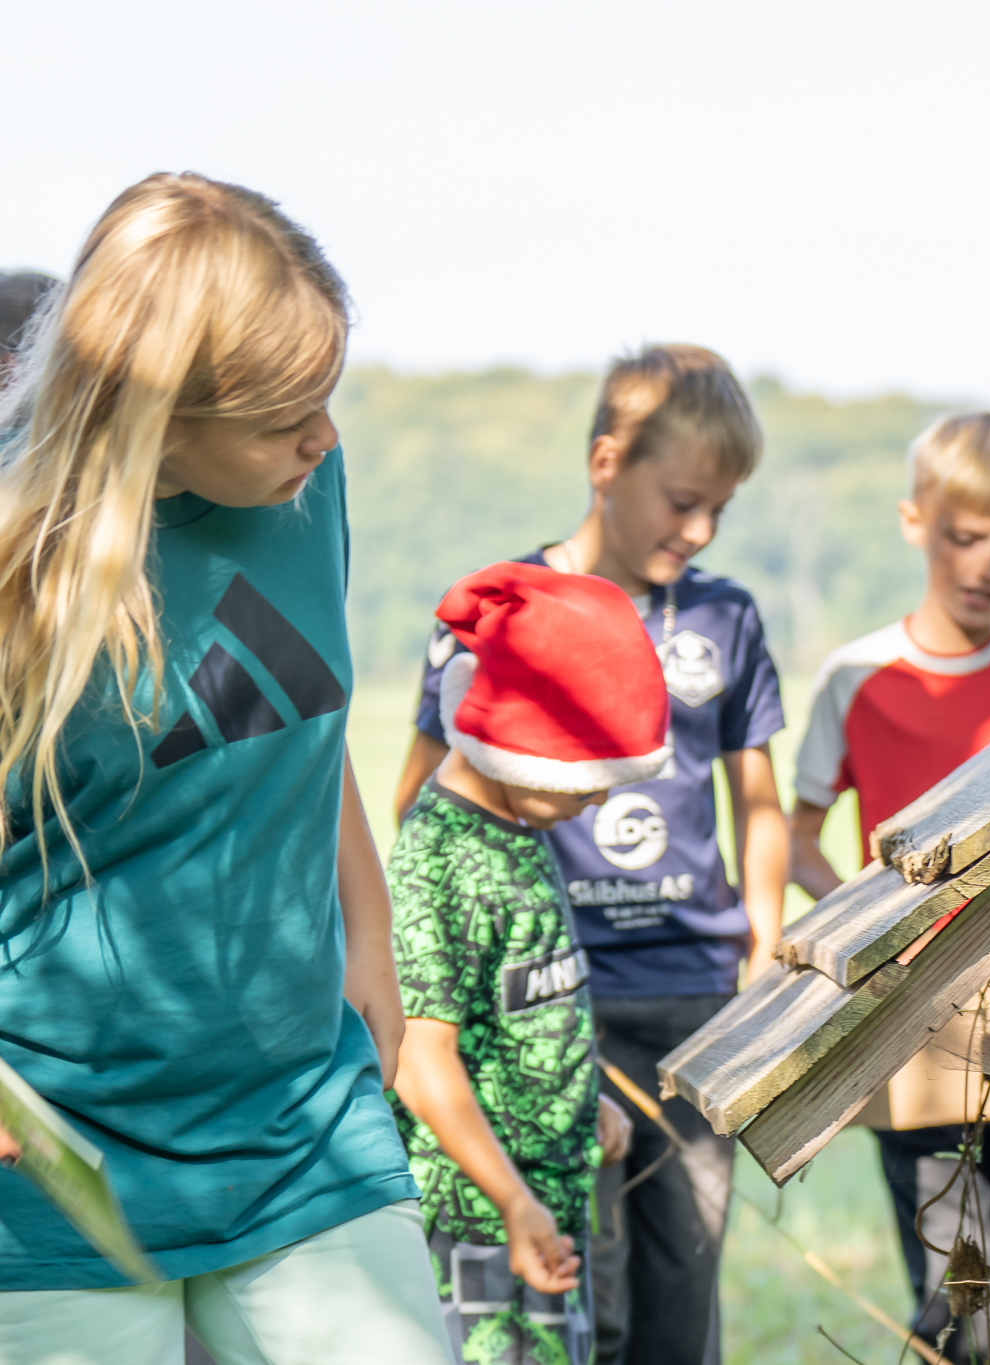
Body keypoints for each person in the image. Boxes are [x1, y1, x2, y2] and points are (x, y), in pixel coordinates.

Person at [0, 175, 447, 1359]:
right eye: (283, 416)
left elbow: (288, 708)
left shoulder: (310, 482)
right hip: (56, 1149)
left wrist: (370, 934)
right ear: (153, 417)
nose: (326, 437)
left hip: (300, 1111)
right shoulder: (14, 558)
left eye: (327, 397)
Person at [391, 345, 786, 1365]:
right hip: (559, 1012)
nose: (695, 532)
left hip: (687, 992)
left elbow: (756, 797)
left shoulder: (722, 616)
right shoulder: (506, 619)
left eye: (719, 513)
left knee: (679, 1282)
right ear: (605, 462)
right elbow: (416, 799)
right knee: (580, 1294)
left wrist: (763, 951)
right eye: (681, 499)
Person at [790, 411, 990, 1355]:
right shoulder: (856, 676)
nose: (988, 564)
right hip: (914, 1023)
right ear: (915, 521)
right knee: (956, 1294)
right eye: (965, 537)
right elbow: (796, 840)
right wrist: (873, 947)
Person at [390, 563, 663, 1365]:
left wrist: (589, 1095)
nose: (601, 802)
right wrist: (510, 1201)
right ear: (525, 749)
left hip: (546, 1200)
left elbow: (535, 996)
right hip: (477, 1220)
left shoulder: (519, 827)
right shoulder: (436, 859)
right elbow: (419, 1056)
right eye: (591, 781)